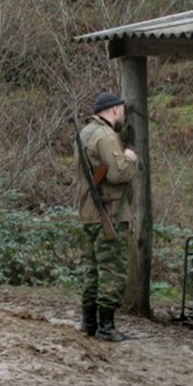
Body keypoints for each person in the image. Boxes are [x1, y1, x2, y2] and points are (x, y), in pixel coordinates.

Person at [75, 91, 137, 342]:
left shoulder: (86, 132)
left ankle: (89, 322)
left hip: (90, 212)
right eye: (122, 110)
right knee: (112, 269)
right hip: (109, 213)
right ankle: (106, 327)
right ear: (114, 110)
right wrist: (130, 160)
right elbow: (118, 174)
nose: (123, 115)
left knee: (92, 269)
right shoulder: (106, 135)